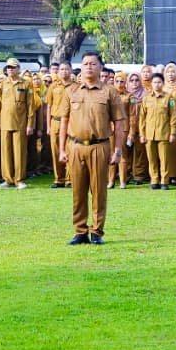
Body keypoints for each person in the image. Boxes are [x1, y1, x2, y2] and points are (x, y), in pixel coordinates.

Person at [60, 52, 127, 245]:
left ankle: (96, 231)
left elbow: (119, 123)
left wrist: (117, 150)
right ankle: (80, 230)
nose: (89, 67)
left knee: (98, 191)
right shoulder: (71, 91)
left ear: (100, 68)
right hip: (75, 146)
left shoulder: (109, 92)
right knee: (78, 191)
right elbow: (64, 121)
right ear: (80, 67)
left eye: (93, 64)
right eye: (85, 64)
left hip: (99, 146)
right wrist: (62, 150)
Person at [0, 59, 36, 189]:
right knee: (6, 152)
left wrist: (30, 125)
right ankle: (7, 179)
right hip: (5, 123)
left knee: (20, 152)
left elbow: (30, 106)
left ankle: (19, 179)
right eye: (8, 67)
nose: (10, 69)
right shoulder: (2, 84)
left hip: (21, 123)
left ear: (18, 68)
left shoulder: (26, 84)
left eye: (13, 67)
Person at [138, 72, 176, 188]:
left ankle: (164, 181)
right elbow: (142, 118)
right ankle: (154, 180)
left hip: (164, 133)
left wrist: (173, 132)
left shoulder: (169, 98)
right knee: (152, 159)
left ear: (163, 83)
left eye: (159, 82)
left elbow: (173, 116)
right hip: (149, 134)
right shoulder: (146, 99)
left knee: (164, 159)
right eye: (155, 82)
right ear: (151, 84)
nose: (157, 84)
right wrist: (142, 134)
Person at [45, 62, 74, 188]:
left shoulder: (76, 87)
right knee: (56, 150)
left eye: (67, 69)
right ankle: (59, 179)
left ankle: (69, 179)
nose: (64, 71)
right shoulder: (53, 86)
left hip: (71, 122)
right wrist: (48, 126)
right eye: (62, 69)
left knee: (70, 150)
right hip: (56, 121)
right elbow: (49, 106)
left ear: (71, 70)